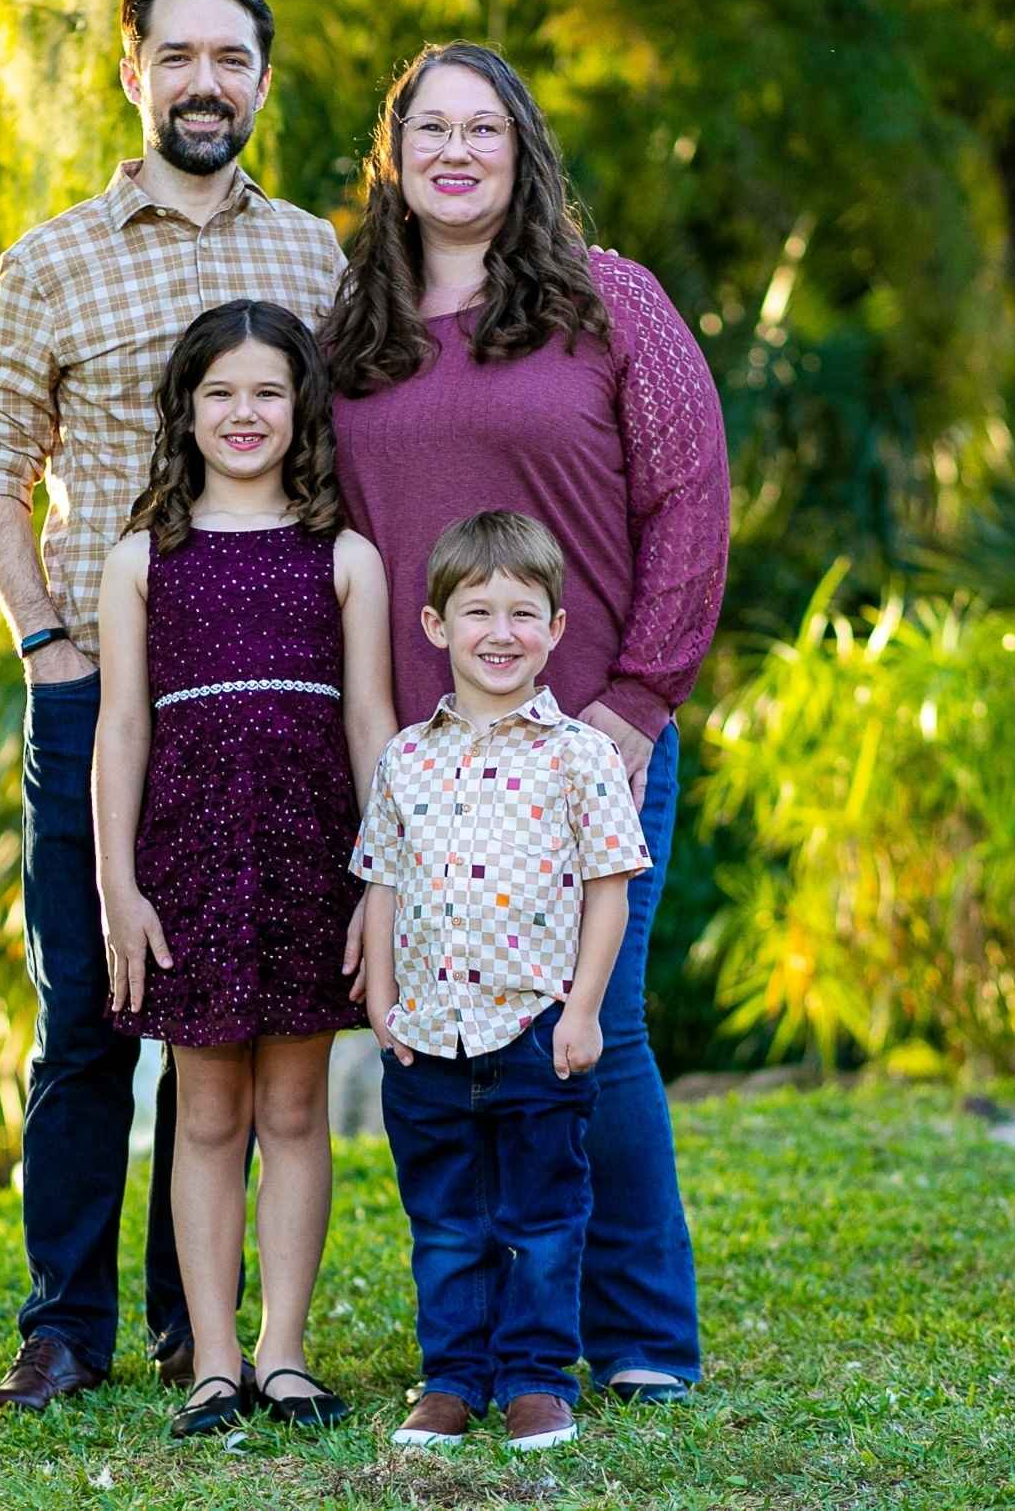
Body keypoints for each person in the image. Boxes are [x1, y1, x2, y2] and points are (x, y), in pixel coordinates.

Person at [0, 0, 346, 1416]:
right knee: (87, 1016)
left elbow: (341, 465)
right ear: (133, 74)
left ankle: (209, 1328)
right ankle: (63, 1326)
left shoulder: (316, 256)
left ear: (258, 81)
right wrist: (47, 639)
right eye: (177, 56)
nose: (205, 82)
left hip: (267, 700)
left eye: (231, 60)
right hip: (104, 695)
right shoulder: (50, 260)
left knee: (231, 1014)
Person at [326, 43, 729, 1404]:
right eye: (429, 128)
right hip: (423, 765)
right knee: (444, 1039)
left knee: (593, 1026)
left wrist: (639, 697)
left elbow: (692, 498)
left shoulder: (609, 300)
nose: (456, 151)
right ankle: (489, 1337)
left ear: (522, 148)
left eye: (482, 128)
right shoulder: (352, 329)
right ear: (394, 153)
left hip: (584, 745)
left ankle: (641, 1332)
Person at [94, 300, 393, 1438]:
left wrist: (381, 875)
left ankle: (283, 1351)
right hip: (190, 862)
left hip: (313, 853)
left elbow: (370, 722)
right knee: (207, 1112)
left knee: (296, 1106)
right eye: (220, 392)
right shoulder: (143, 558)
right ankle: (212, 1358)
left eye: (267, 391)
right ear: (185, 410)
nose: (244, 412)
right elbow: (122, 730)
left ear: (301, 408)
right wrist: (119, 885)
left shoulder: (345, 556)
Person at [354, 509, 650, 1452]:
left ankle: (533, 1379)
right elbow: (384, 885)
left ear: (556, 629)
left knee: (543, 1216)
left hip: (534, 1031)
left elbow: (610, 892)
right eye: (477, 611)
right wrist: (380, 1002)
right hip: (429, 1035)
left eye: (523, 613)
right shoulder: (406, 758)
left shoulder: (580, 757)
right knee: (444, 1219)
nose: (500, 633)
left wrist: (587, 1009)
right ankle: (450, 1378)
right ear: (436, 625)